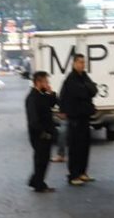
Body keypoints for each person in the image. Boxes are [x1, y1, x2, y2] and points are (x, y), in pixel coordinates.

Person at [59, 54, 98, 186]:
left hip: (85, 117)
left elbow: (94, 90)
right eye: (80, 62)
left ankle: (82, 172)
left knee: (85, 146)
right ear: (74, 63)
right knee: (75, 147)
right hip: (75, 118)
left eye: (84, 62)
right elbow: (80, 93)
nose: (82, 65)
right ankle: (73, 175)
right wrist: (88, 89)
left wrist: (87, 88)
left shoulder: (84, 76)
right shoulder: (71, 79)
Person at [25, 71, 59, 193]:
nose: (48, 83)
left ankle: (36, 181)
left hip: (46, 132)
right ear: (38, 82)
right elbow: (33, 119)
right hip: (39, 134)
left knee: (43, 159)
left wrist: (51, 92)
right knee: (41, 160)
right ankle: (39, 184)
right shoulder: (33, 98)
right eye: (46, 81)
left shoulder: (42, 95)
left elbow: (54, 103)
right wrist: (43, 132)